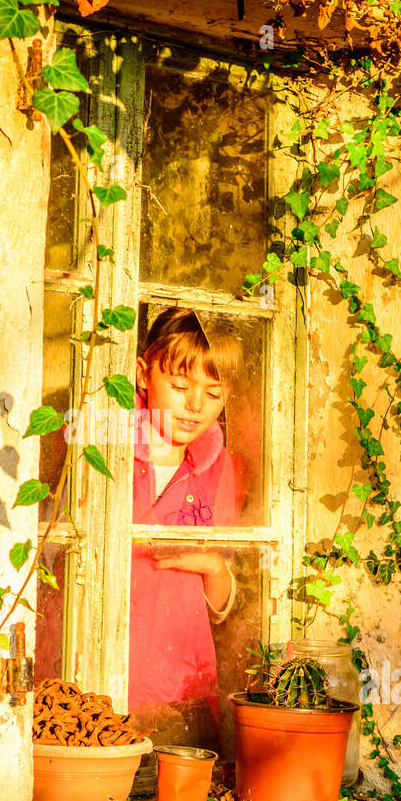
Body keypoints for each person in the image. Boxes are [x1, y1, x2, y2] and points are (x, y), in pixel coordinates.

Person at [127, 307, 244, 742]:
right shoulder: (110, 446)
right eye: (179, 386)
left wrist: (214, 567)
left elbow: (223, 604)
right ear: (143, 374)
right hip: (107, 666)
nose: (195, 406)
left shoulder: (218, 467)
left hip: (181, 682)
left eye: (214, 393)